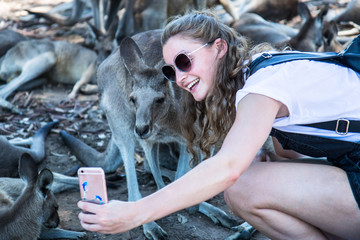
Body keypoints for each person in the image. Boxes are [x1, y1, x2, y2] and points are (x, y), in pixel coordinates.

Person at [77, 10, 360, 239]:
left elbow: (227, 169)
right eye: (170, 70)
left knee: (242, 186)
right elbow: (288, 155)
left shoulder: (264, 85)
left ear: (219, 48)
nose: (179, 77)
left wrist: (136, 212)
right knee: (252, 174)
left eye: (184, 61)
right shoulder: (260, 68)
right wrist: (264, 158)